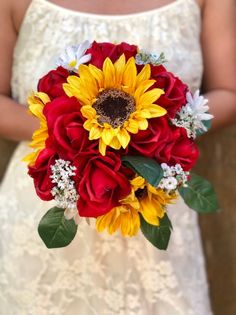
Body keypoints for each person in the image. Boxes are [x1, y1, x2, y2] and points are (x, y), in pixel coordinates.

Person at [0, 0, 235, 314]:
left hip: (153, 206)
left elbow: (228, 92)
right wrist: (76, 138)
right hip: (44, 203)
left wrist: (154, 137)